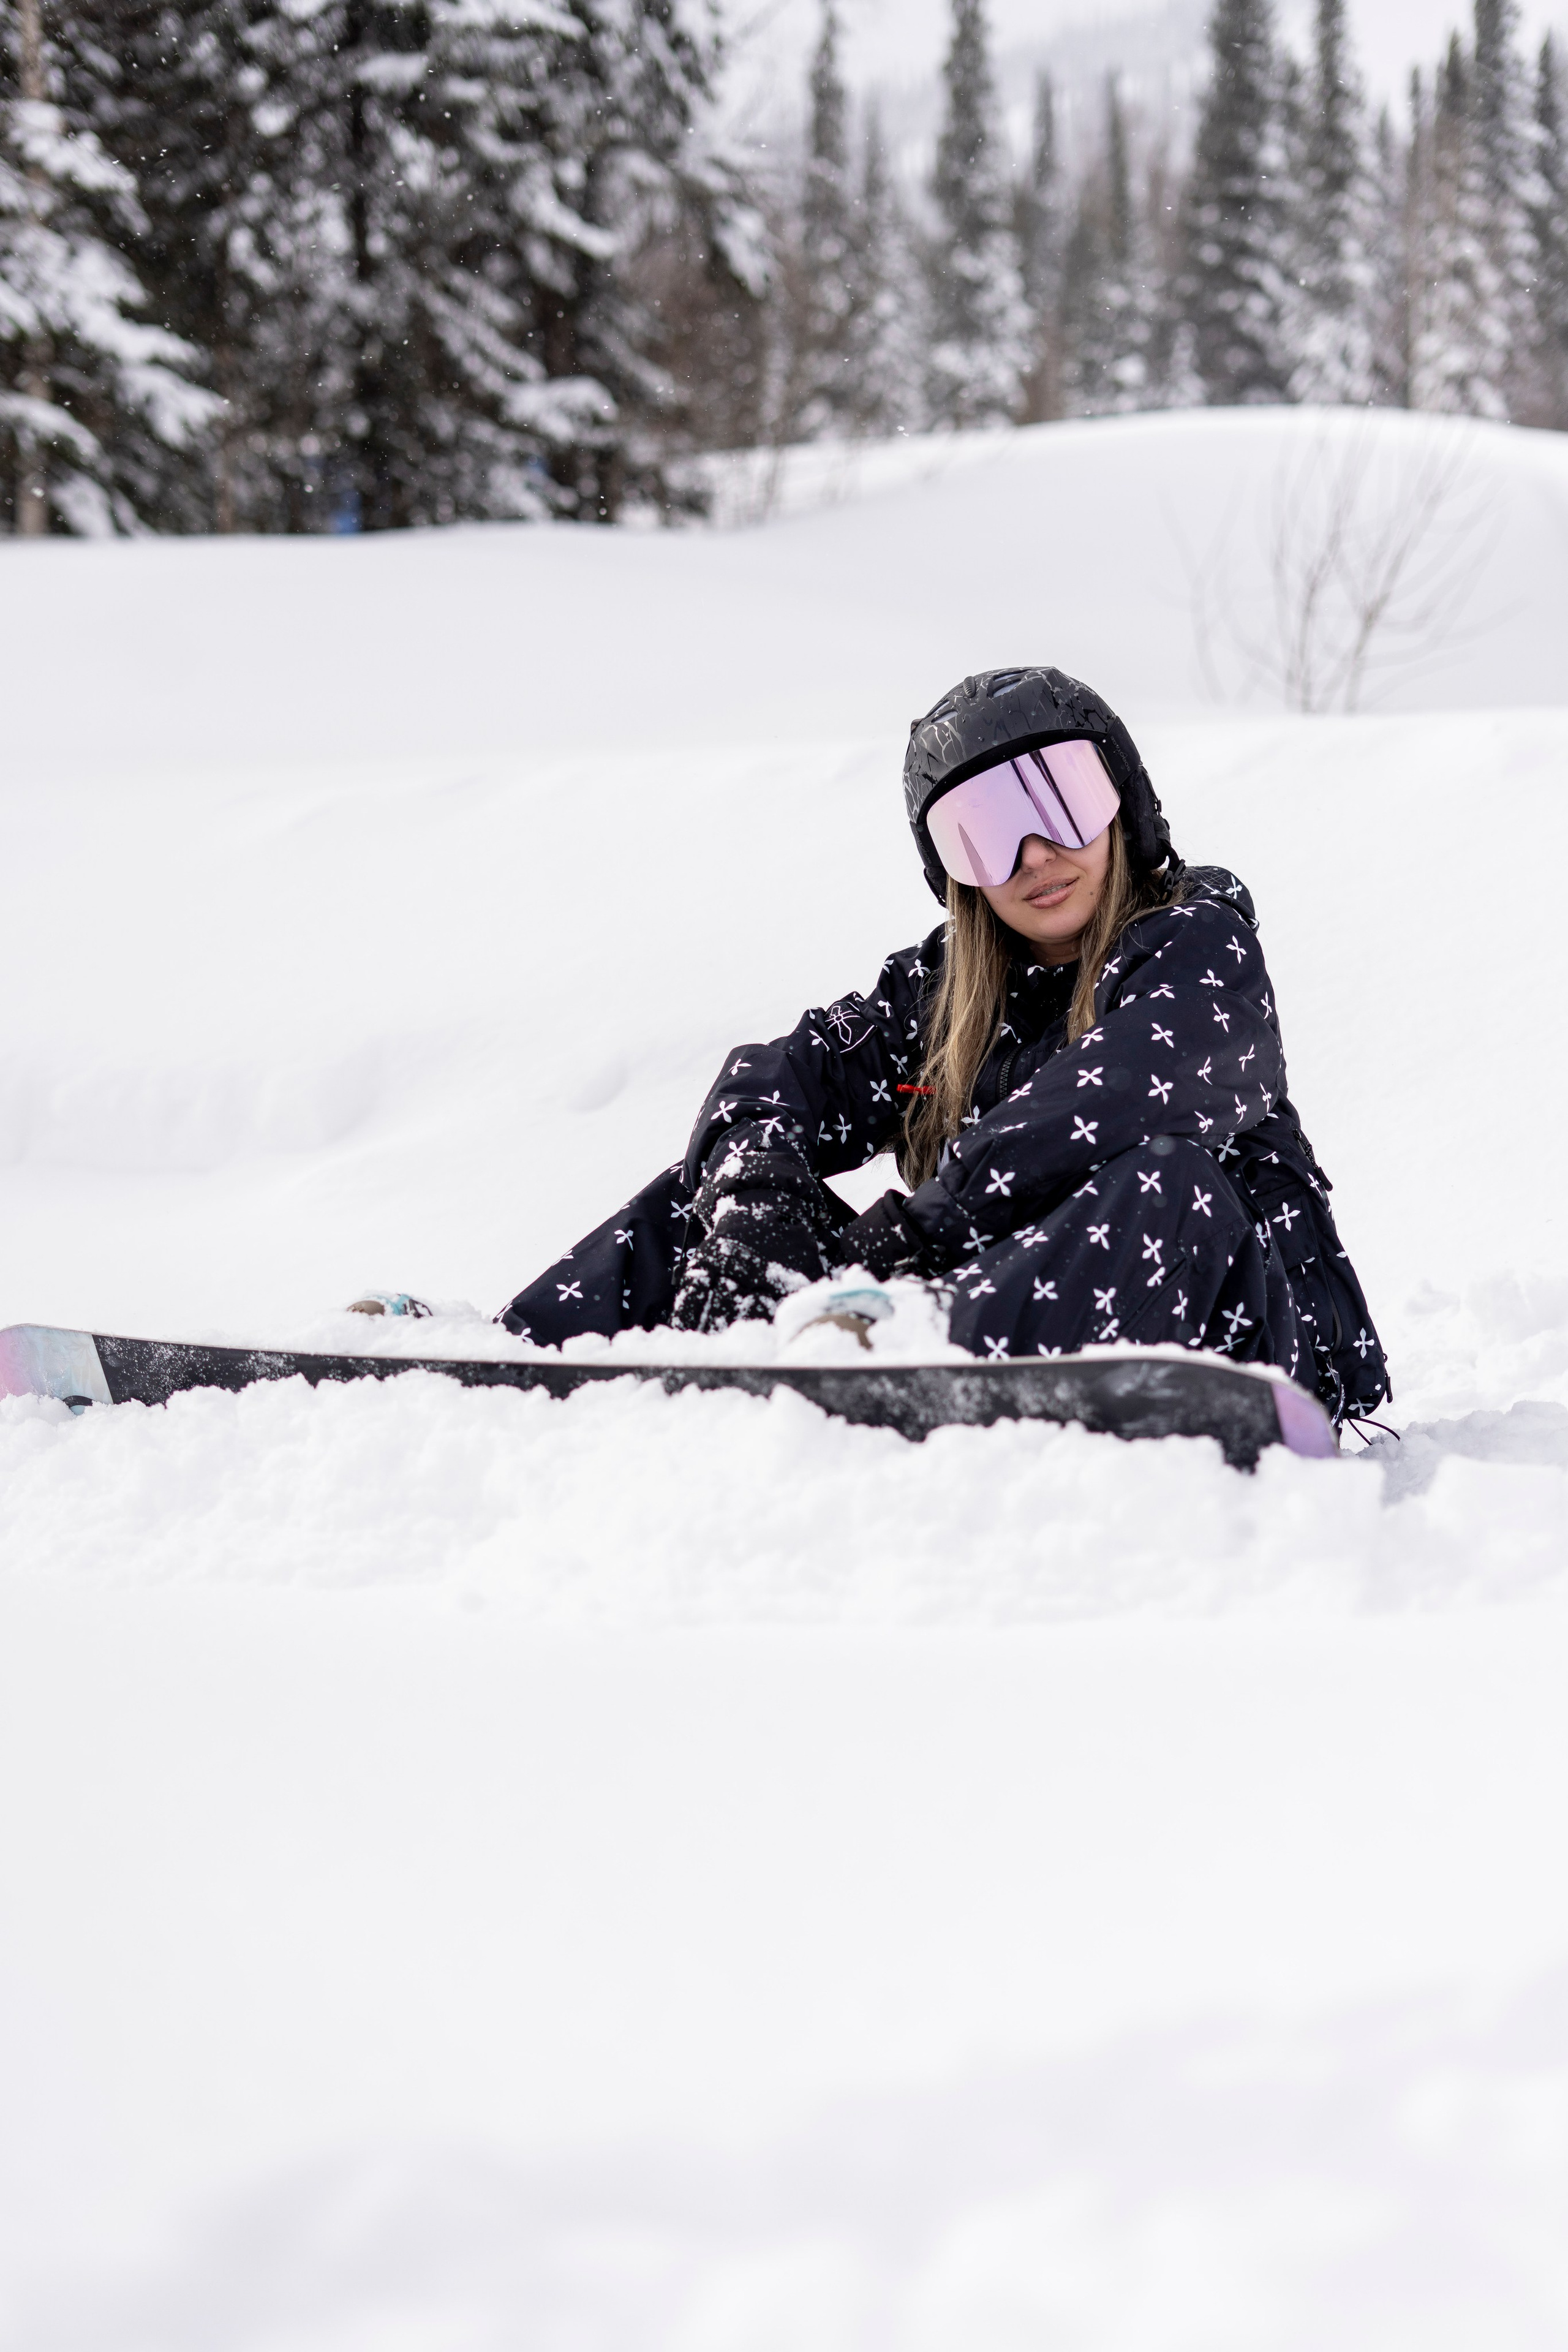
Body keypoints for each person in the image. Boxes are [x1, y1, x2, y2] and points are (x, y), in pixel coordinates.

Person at [500, 665, 1388, 1427]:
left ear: (1123, 804)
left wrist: (919, 1237)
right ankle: (503, 1364)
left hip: (1247, 1341)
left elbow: (1119, 1092)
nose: (1036, 854)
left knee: (1167, 1179)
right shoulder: (939, 994)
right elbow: (774, 1084)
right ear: (951, 867)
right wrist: (754, 1210)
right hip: (975, 1312)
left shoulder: (1198, 942)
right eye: (986, 833)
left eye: (1065, 804)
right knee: (714, 1192)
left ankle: (872, 1364)